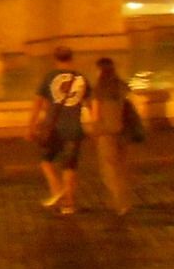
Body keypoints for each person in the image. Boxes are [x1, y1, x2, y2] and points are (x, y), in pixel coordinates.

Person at [32, 47, 91, 213]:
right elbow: (90, 104)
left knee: (46, 161)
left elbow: (37, 103)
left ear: (55, 59)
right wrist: (96, 125)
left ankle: (57, 191)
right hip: (74, 128)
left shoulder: (50, 78)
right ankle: (69, 205)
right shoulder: (81, 78)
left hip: (54, 128)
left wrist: (31, 126)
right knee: (69, 166)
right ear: (72, 58)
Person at [86, 57, 137, 216]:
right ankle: (126, 200)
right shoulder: (122, 86)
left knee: (109, 169)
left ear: (100, 71)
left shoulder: (98, 90)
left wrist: (92, 132)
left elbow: (95, 116)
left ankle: (118, 202)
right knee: (121, 166)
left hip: (106, 133)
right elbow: (130, 107)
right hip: (122, 131)